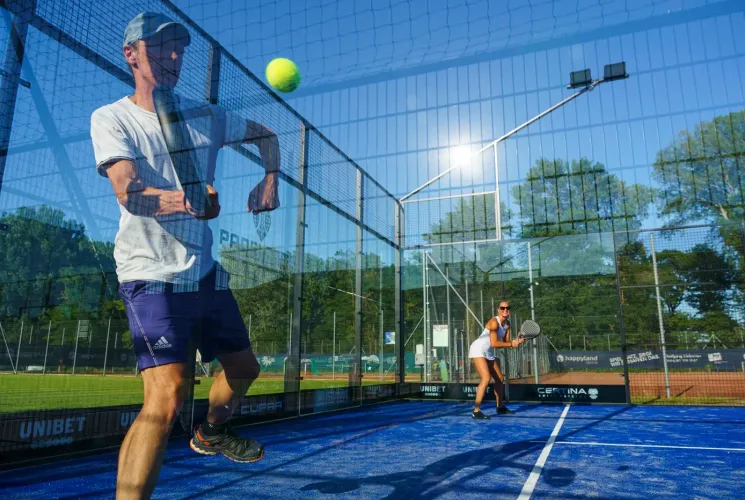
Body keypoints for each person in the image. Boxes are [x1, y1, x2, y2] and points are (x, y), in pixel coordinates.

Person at [90, 12, 280, 499]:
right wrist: (186, 201)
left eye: (179, 47)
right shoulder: (113, 118)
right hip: (150, 274)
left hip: (206, 274)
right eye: (160, 46)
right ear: (131, 54)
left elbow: (267, 135)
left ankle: (210, 432)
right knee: (167, 394)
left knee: (244, 369)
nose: (173, 56)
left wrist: (270, 177)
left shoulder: (209, 116)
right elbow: (128, 190)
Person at [468, 301, 524, 419]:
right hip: (478, 349)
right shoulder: (494, 322)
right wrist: (511, 344)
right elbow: (494, 343)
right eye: (502, 308)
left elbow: (505, 342)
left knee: (499, 379)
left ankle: (500, 407)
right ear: (498, 310)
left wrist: (516, 341)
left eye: (507, 308)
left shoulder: (507, 324)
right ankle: (476, 411)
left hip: (488, 352)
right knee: (486, 378)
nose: (505, 310)